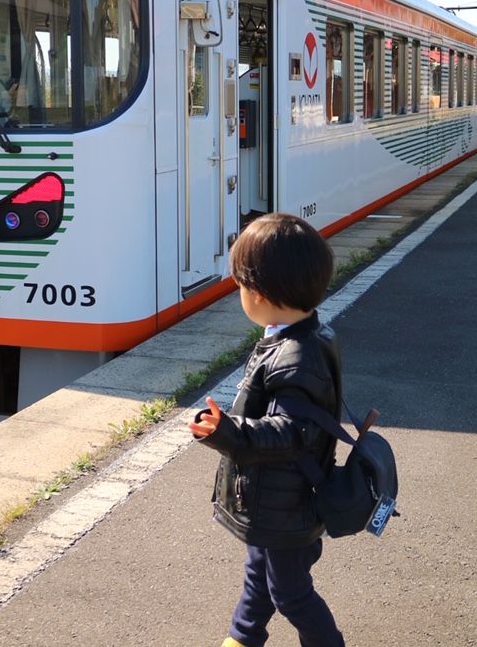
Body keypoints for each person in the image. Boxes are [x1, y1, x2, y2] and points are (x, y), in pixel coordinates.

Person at [190, 213, 344, 647]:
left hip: (286, 504)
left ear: (258, 293)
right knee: (259, 580)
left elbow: (291, 433)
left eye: (240, 285)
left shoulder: (295, 357)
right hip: (276, 501)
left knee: (291, 595)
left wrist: (228, 433)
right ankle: (240, 640)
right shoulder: (301, 337)